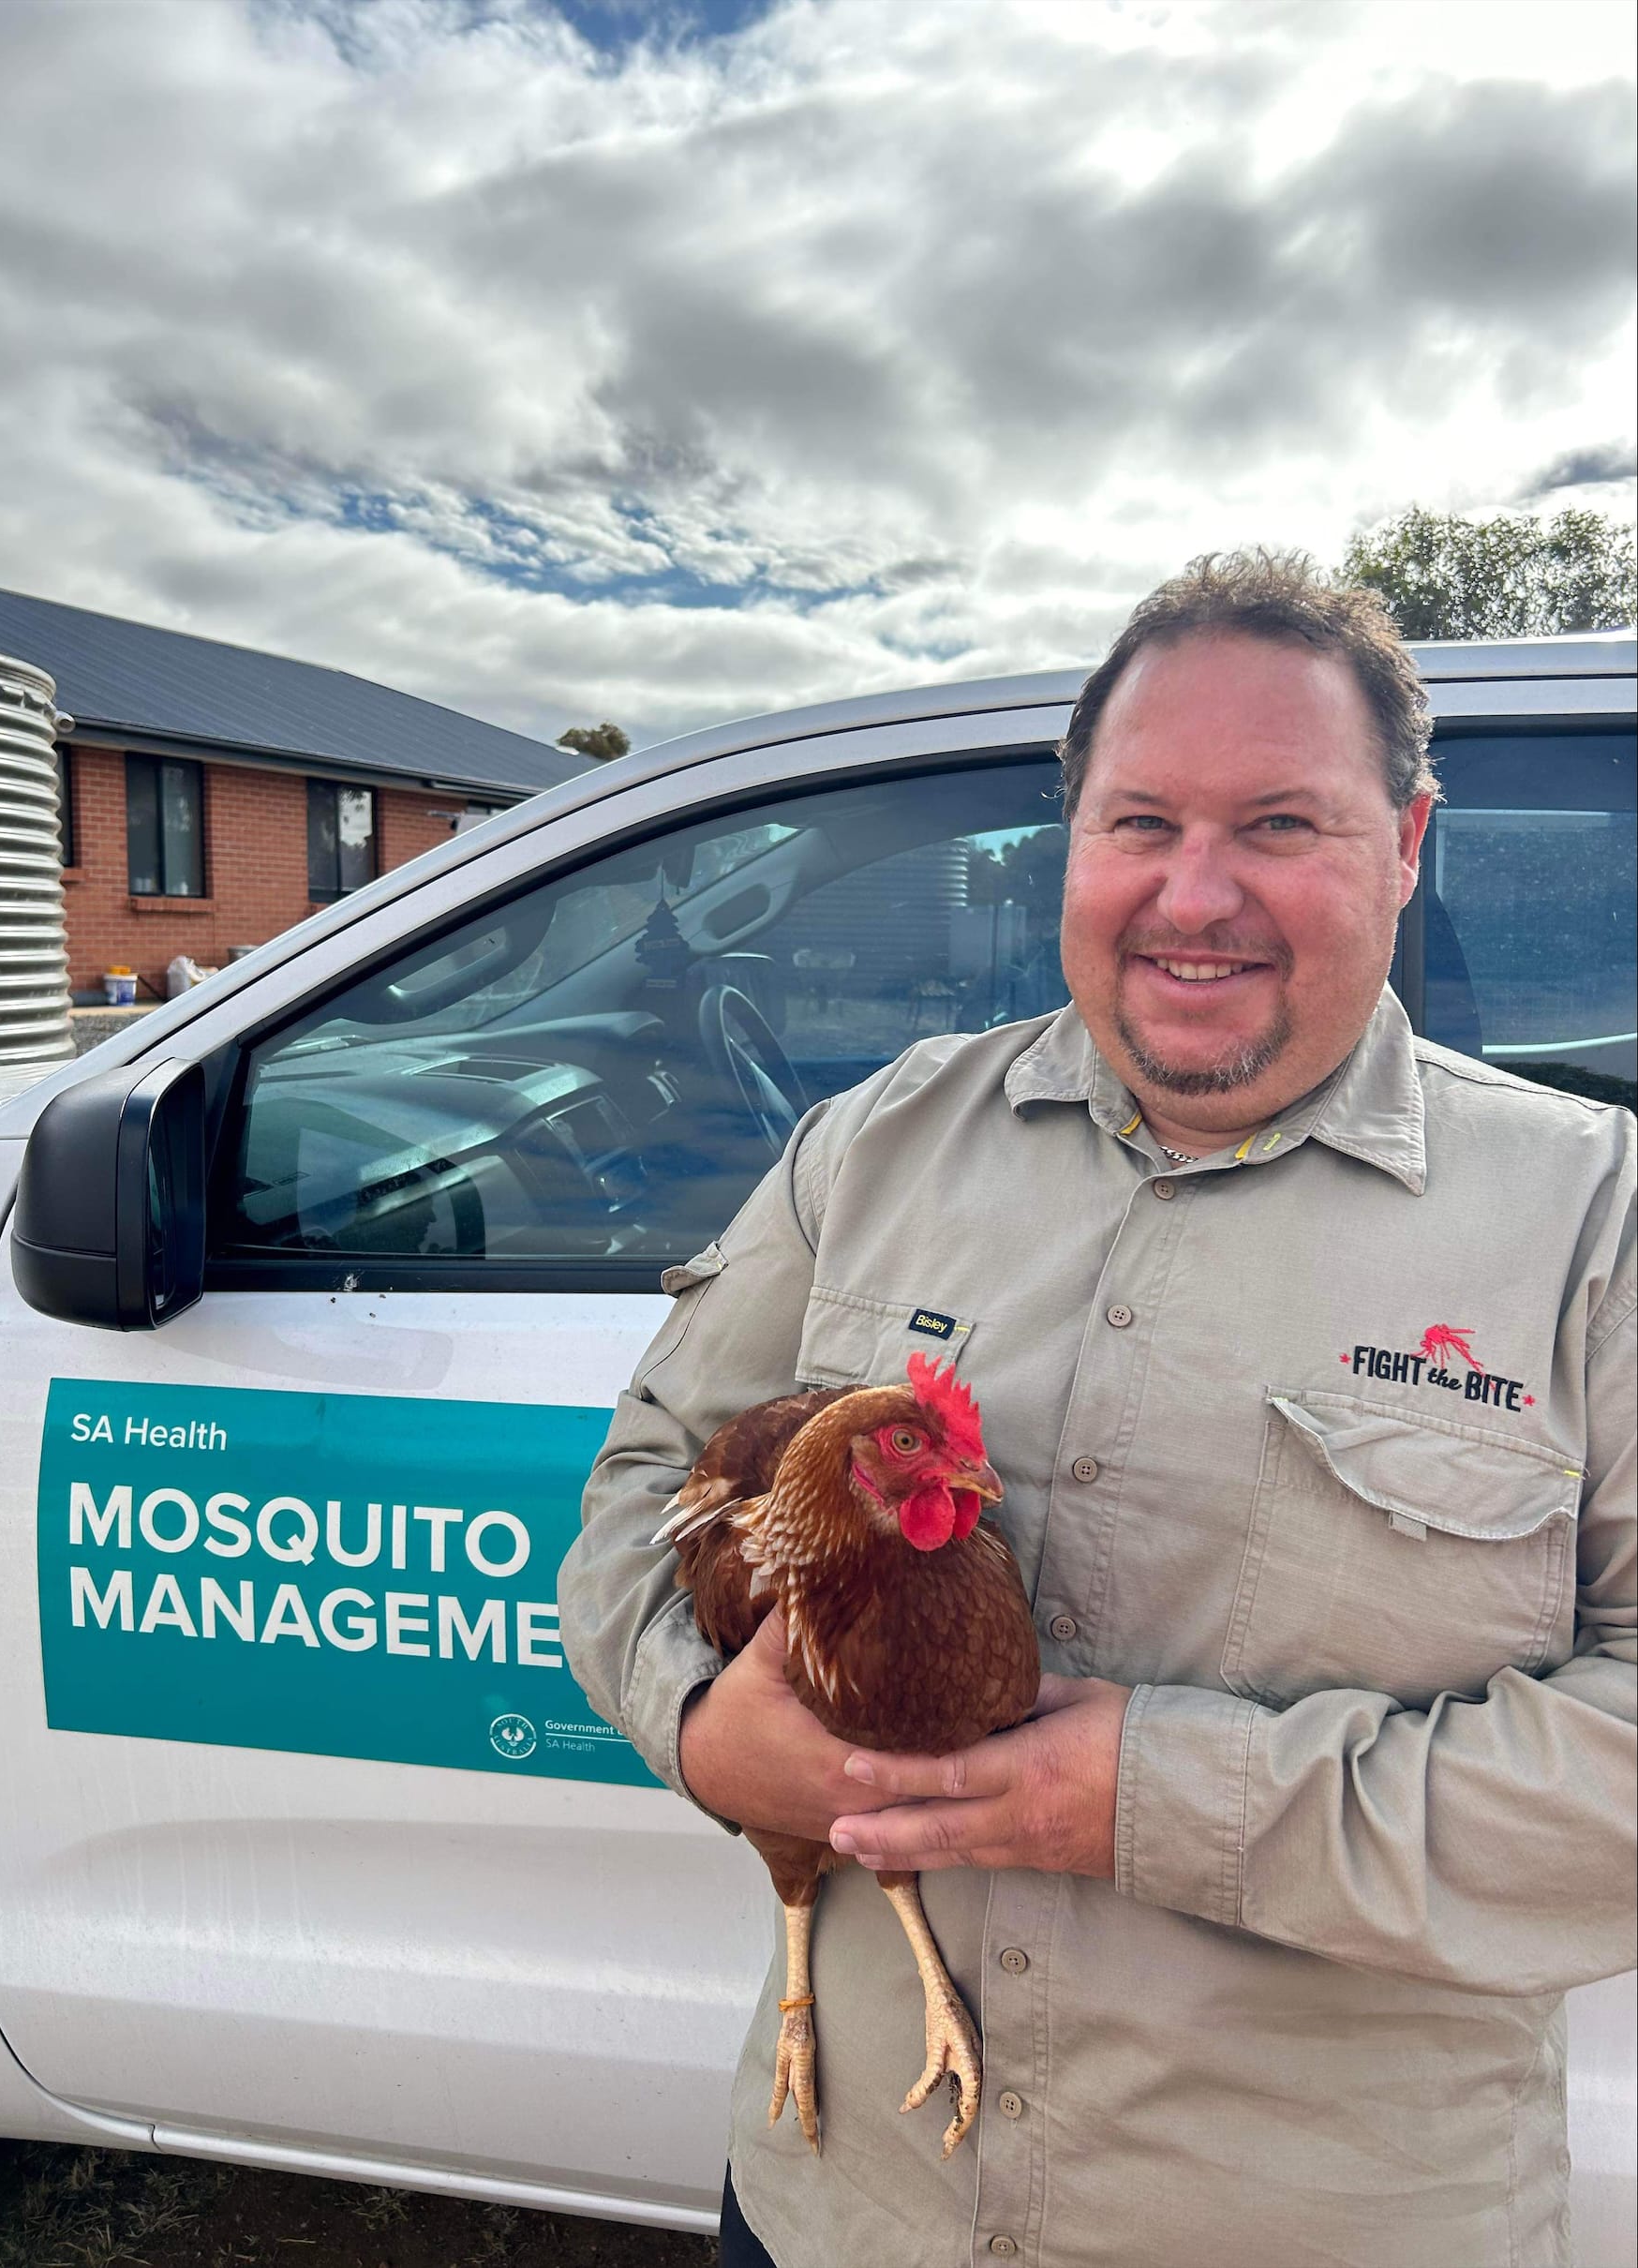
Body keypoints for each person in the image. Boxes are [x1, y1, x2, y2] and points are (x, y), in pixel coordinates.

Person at [558, 551, 1635, 2268]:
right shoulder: (878, 1142)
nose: (1192, 895)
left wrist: (1158, 1797)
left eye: (1280, 825)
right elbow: (646, 1484)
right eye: (1141, 824)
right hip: (849, 2205)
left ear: (1410, 843)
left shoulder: (1594, 1224)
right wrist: (697, 1720)